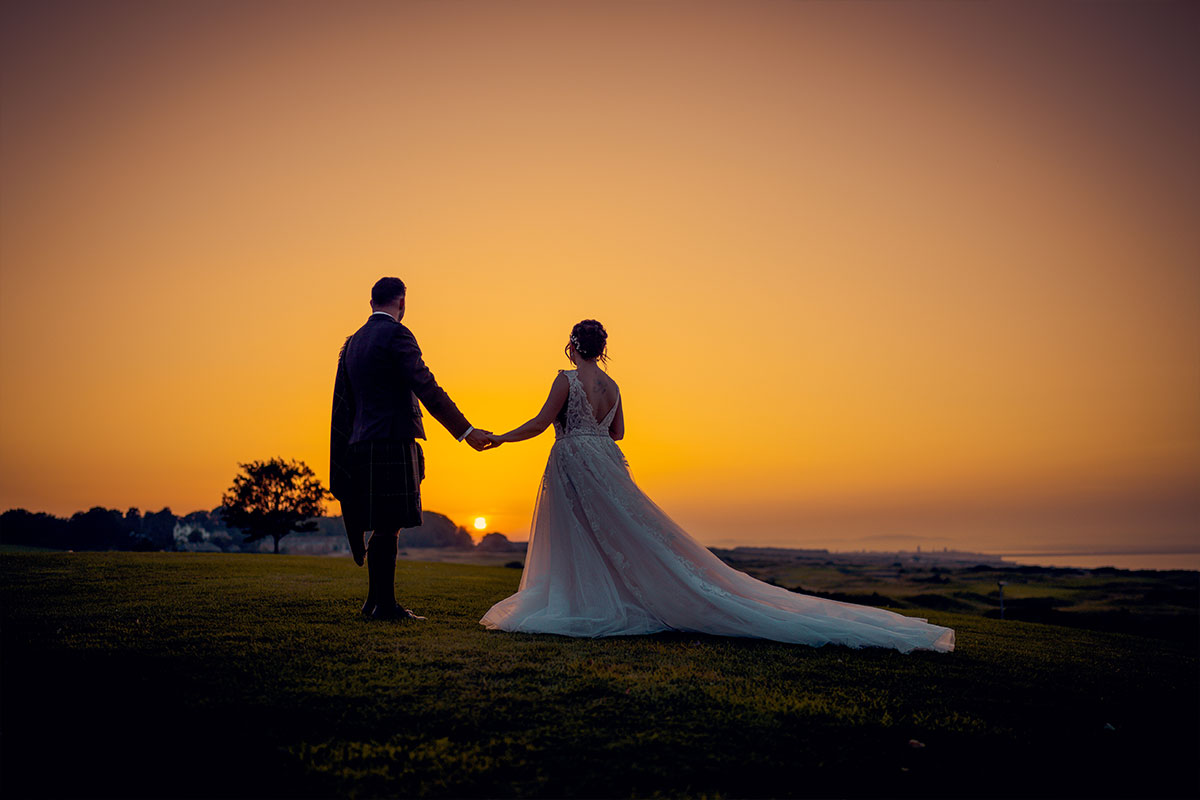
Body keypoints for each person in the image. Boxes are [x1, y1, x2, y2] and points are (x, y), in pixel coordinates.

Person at [479, 320, 954, 653]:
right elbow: (619, 433)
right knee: (626, 534)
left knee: (582, 534)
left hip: (575, 459)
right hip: (606, 457)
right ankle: (615, 595)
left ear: (571, 347)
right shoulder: (615, 385)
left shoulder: (566, 378)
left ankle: (589, 601)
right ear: (601, 347)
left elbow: (541, 423)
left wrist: (500, 436)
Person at [330, 277, 496, 621]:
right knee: (390, 525)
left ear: (371, 301)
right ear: (401, 303)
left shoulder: (353, 343)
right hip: (391, 439)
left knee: (381, 523)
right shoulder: (397, 334)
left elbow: (343, 404)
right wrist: (465, 430)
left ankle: (373, 603)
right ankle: (385, 606)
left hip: (359, 444)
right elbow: (426, 385)